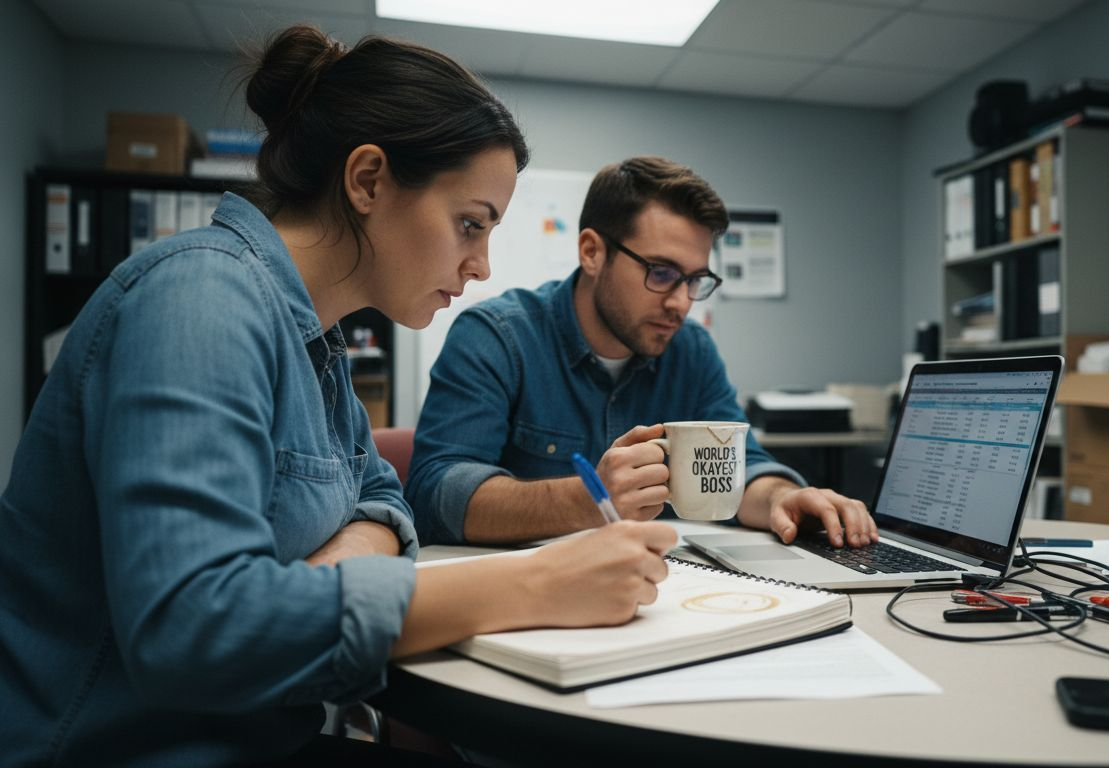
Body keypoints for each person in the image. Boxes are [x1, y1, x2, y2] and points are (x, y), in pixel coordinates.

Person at [0, 26, 675, 767]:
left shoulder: (315, 342)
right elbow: (193, 630)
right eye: (469, 224)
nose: (480, 265)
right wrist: (534, 583)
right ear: (367, 181)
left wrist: (325, 574)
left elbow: (383, 500)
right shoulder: (201, 300)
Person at [407, 156, 879, 548]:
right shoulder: (496, 338)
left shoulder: (690, 351)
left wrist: (781, 497)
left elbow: (743, 466)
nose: (680, 303)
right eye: (661, 272)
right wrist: (582, 499)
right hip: (526, 600)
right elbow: (434, 493)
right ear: (592, 252)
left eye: (695, 280)